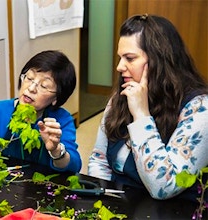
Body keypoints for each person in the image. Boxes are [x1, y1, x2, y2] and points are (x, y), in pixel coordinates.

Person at [87, 14, 208, 200]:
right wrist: (99, 200)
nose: (119, 67)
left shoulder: (200, 108)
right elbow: (99, 160)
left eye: (129, 58)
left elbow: (164, 187)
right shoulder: (123, 95)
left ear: (159, 60)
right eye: (120, 58)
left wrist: (141, 116)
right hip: (120, 204)